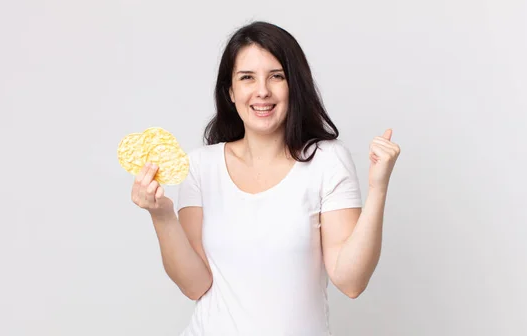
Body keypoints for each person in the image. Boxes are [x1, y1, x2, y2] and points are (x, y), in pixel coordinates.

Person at [131, 21, 401, 336]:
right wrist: (161, 215)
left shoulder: (326, 161)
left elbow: (351, 281)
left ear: (294, 85)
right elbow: (195, 285)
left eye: (276, 76)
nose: (262, 91)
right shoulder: (201, 166)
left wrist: (378, 188)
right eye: (247, 78)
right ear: (231, 91)